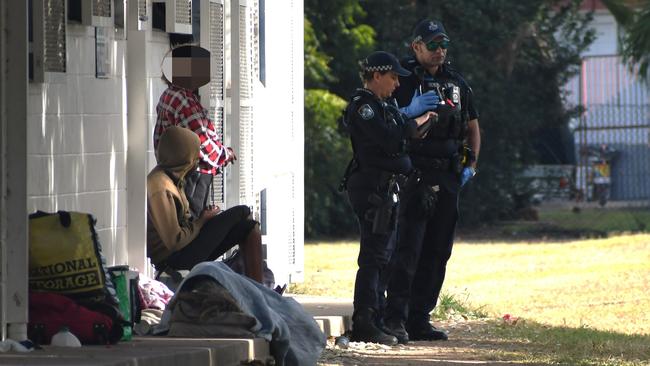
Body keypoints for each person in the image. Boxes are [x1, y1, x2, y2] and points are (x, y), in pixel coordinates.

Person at [383, 19, 481, 344]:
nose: (440, 51)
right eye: (433, 45)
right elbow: (387, 121)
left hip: (448, 174)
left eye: (444, 45)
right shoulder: (403, 81)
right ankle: (394, 317)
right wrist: (409, 113)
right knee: (408, 248)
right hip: (414, 174)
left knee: (439, 249)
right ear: (416, 46)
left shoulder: (457, 83)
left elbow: (472, 126)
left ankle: (419, 319)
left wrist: (471, 164)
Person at [340, 51, 436, 345]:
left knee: (387, 255)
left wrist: (412, 126)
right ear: (377, 75)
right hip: (371, 190)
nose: (397, 84)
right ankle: (365, 320)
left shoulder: (385, 105)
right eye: (393, 77)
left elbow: (401, 135)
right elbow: (392, 140)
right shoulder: (363, 107)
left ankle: (378, 317)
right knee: (374, 255)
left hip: (387, 190)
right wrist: (411, 125)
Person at [146, 126, 263, 282]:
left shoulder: (170, 177)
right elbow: (175, 241)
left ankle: (257, 288)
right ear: (183, 155)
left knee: (247, 226)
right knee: (241, 212)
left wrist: (203, 219)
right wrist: (201, 221)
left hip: (183, 249)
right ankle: (258, 289)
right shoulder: (161, 186)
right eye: (194, 154)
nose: (197, 160)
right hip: (173, 259)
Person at [154, 45, 236, 219]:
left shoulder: (168, 95)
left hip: (174, 172)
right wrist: (224, 154)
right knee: (195, 226)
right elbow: (200, 139)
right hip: (193, 174)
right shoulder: (183, 99)